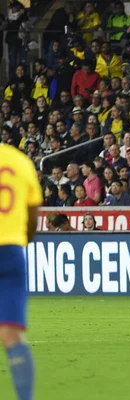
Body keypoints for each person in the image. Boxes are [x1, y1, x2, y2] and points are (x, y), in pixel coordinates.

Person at [0, 144, 42, 400]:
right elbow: (33, 213)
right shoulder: (19, 160)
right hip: (11, 253)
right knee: (13, 335)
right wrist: (21, 239)